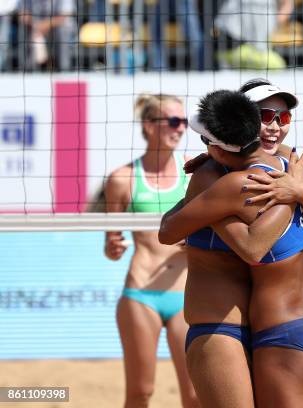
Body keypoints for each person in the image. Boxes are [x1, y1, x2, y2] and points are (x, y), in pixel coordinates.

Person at [159, 89, 303, 407]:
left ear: (219, 147)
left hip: (242, 329)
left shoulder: (224, 181)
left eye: (283, 118)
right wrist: (298, 189)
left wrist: (204, 203)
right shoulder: (284, 168)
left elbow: (171, 231)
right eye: (265, 117)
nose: (274, 126)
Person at [104, 94, 198, 408]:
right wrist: (113, 246)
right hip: (140, 293)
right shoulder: (122, 179)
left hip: (185, 295)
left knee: (195, 395)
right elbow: (111, 245)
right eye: (173, 121)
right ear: (149, 125)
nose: (181, 128)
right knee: (140, 392)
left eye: (183, 121)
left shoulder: (193, 174)